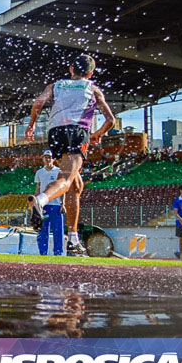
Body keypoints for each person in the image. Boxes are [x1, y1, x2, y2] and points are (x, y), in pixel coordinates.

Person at [25, 54, 116, 252]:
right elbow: (111, 120)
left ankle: (73, 238)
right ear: (90, 73)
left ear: (71, 69)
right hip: (77, 132)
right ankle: (41, 201)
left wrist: (31, 125)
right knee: (66, 178)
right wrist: (98, 134)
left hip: (55, 132)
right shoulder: (92, 88)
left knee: (76, 185)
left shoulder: (56, 85)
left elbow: (38, 103)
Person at [34, 150, 64, 256]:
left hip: (56, 205)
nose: (47, 159)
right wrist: (36, 203)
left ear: (53, 159)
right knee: (43, 230)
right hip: (44, 205)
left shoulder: (59, 171)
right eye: (45, 157)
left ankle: (58, 252)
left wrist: (63, 204)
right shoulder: (39, 172)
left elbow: (62, 188)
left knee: (58, 231)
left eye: (49, 157)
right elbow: (38, 189)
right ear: (43, 159)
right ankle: (42, 252)